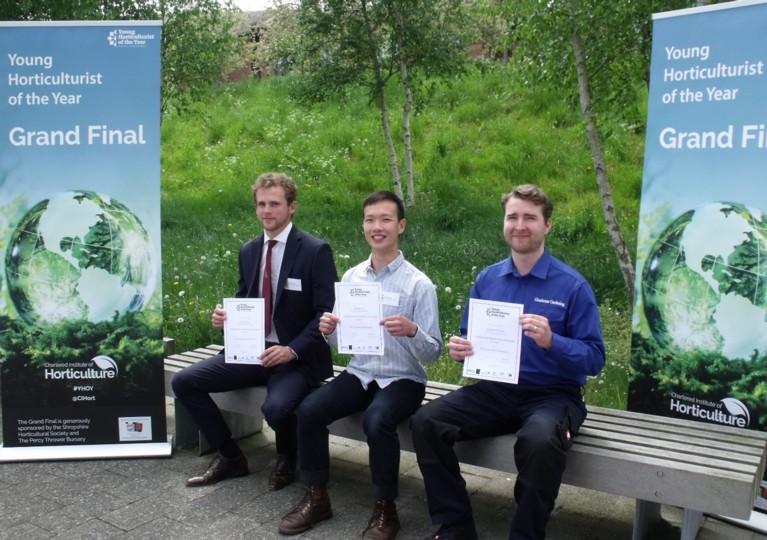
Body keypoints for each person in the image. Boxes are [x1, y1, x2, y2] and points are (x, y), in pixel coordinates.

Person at [412, 184, 605, 540]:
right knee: (426, 422)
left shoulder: (572, 286)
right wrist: (460, 350)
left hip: (554, 395)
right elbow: (470, 336)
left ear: (547, 225)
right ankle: (456, 526)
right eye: (512, 216)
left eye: (529, 218)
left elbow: (595, 359)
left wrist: (553, 341)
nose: (519, 225)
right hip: (495, 389)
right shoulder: (489, 278)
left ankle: (525, 535)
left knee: (539, 442)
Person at [278, 190, 442, 540]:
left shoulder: (418, 284)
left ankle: (386, 510)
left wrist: (413, 331)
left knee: (378, 419)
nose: (377, 227)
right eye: (370, 220)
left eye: (385, 219)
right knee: (309, 410)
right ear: (363, 226)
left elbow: (432, 353)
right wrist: (330, 331)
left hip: (403, 379)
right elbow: (344, 345)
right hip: (359, 372)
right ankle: (316, 497)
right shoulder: (352, 279)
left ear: (401, 225)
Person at [171, 172, 337, 491]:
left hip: (295, 358)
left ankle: (287, 455)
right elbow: (245, 298)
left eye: (274, 204)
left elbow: (325, 313)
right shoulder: (249, 250)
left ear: (292, 207)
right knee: (185, 382)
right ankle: (231, 455)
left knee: (276, 408)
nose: (266, 211)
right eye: (261, 204)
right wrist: (226, 318)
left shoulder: (315, 251)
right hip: (251, 351)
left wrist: (292, 349)